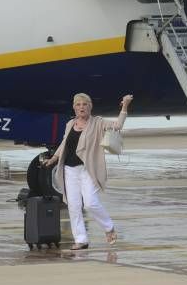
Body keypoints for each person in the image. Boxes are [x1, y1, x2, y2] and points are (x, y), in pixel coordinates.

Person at [43, 93, 134, 250]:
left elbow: (118, 126)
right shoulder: (70, 124)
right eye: (78, 105)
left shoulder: (97, 123)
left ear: (90, 106)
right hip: (69, 170)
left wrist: (125, 106)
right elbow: (64, 143)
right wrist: (54, 159)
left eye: (85, 104)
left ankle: (108, 227)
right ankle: (81, 239)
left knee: (90, 203)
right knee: (73, 206)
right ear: (74, 107)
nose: (81, 107)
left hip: (87, 169)